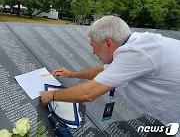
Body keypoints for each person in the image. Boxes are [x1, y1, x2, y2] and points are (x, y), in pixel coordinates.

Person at [40, 16, 180, 135]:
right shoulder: (137, 44)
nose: (94, 52)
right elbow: (102, 70)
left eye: (93, 46)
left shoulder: (136, 53)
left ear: (108, 43)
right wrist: (71, 74)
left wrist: (51, 96)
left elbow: (88, 93)